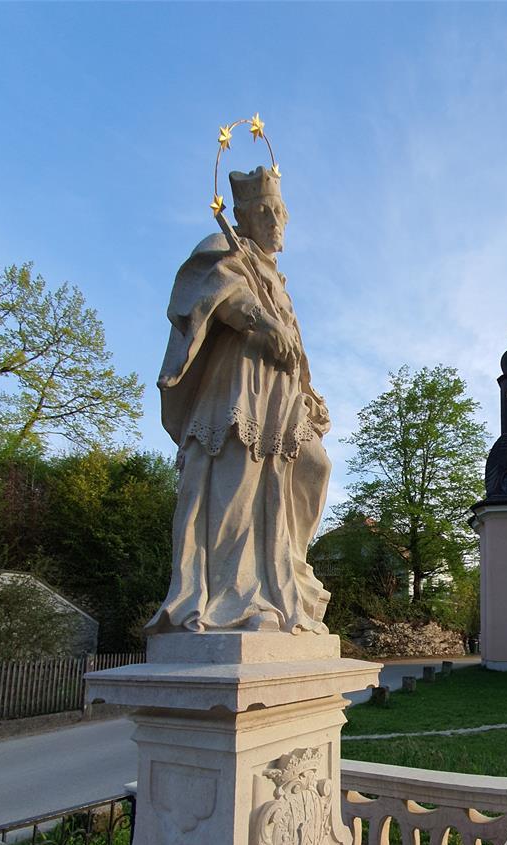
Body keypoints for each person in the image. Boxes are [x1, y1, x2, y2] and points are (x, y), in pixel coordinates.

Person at [147, 166, 332, 635]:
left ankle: (288, 568)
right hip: (239, 385)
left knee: (314, 466)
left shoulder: (277, 279)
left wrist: (309, 396)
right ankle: (238, 595)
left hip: (281, 394)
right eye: (266, 213)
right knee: (238, 480)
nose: (275, 222)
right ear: (244, 216)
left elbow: (296, 351)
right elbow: (203, 295)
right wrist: (259, 321)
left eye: (280, 213)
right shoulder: (222, 249)